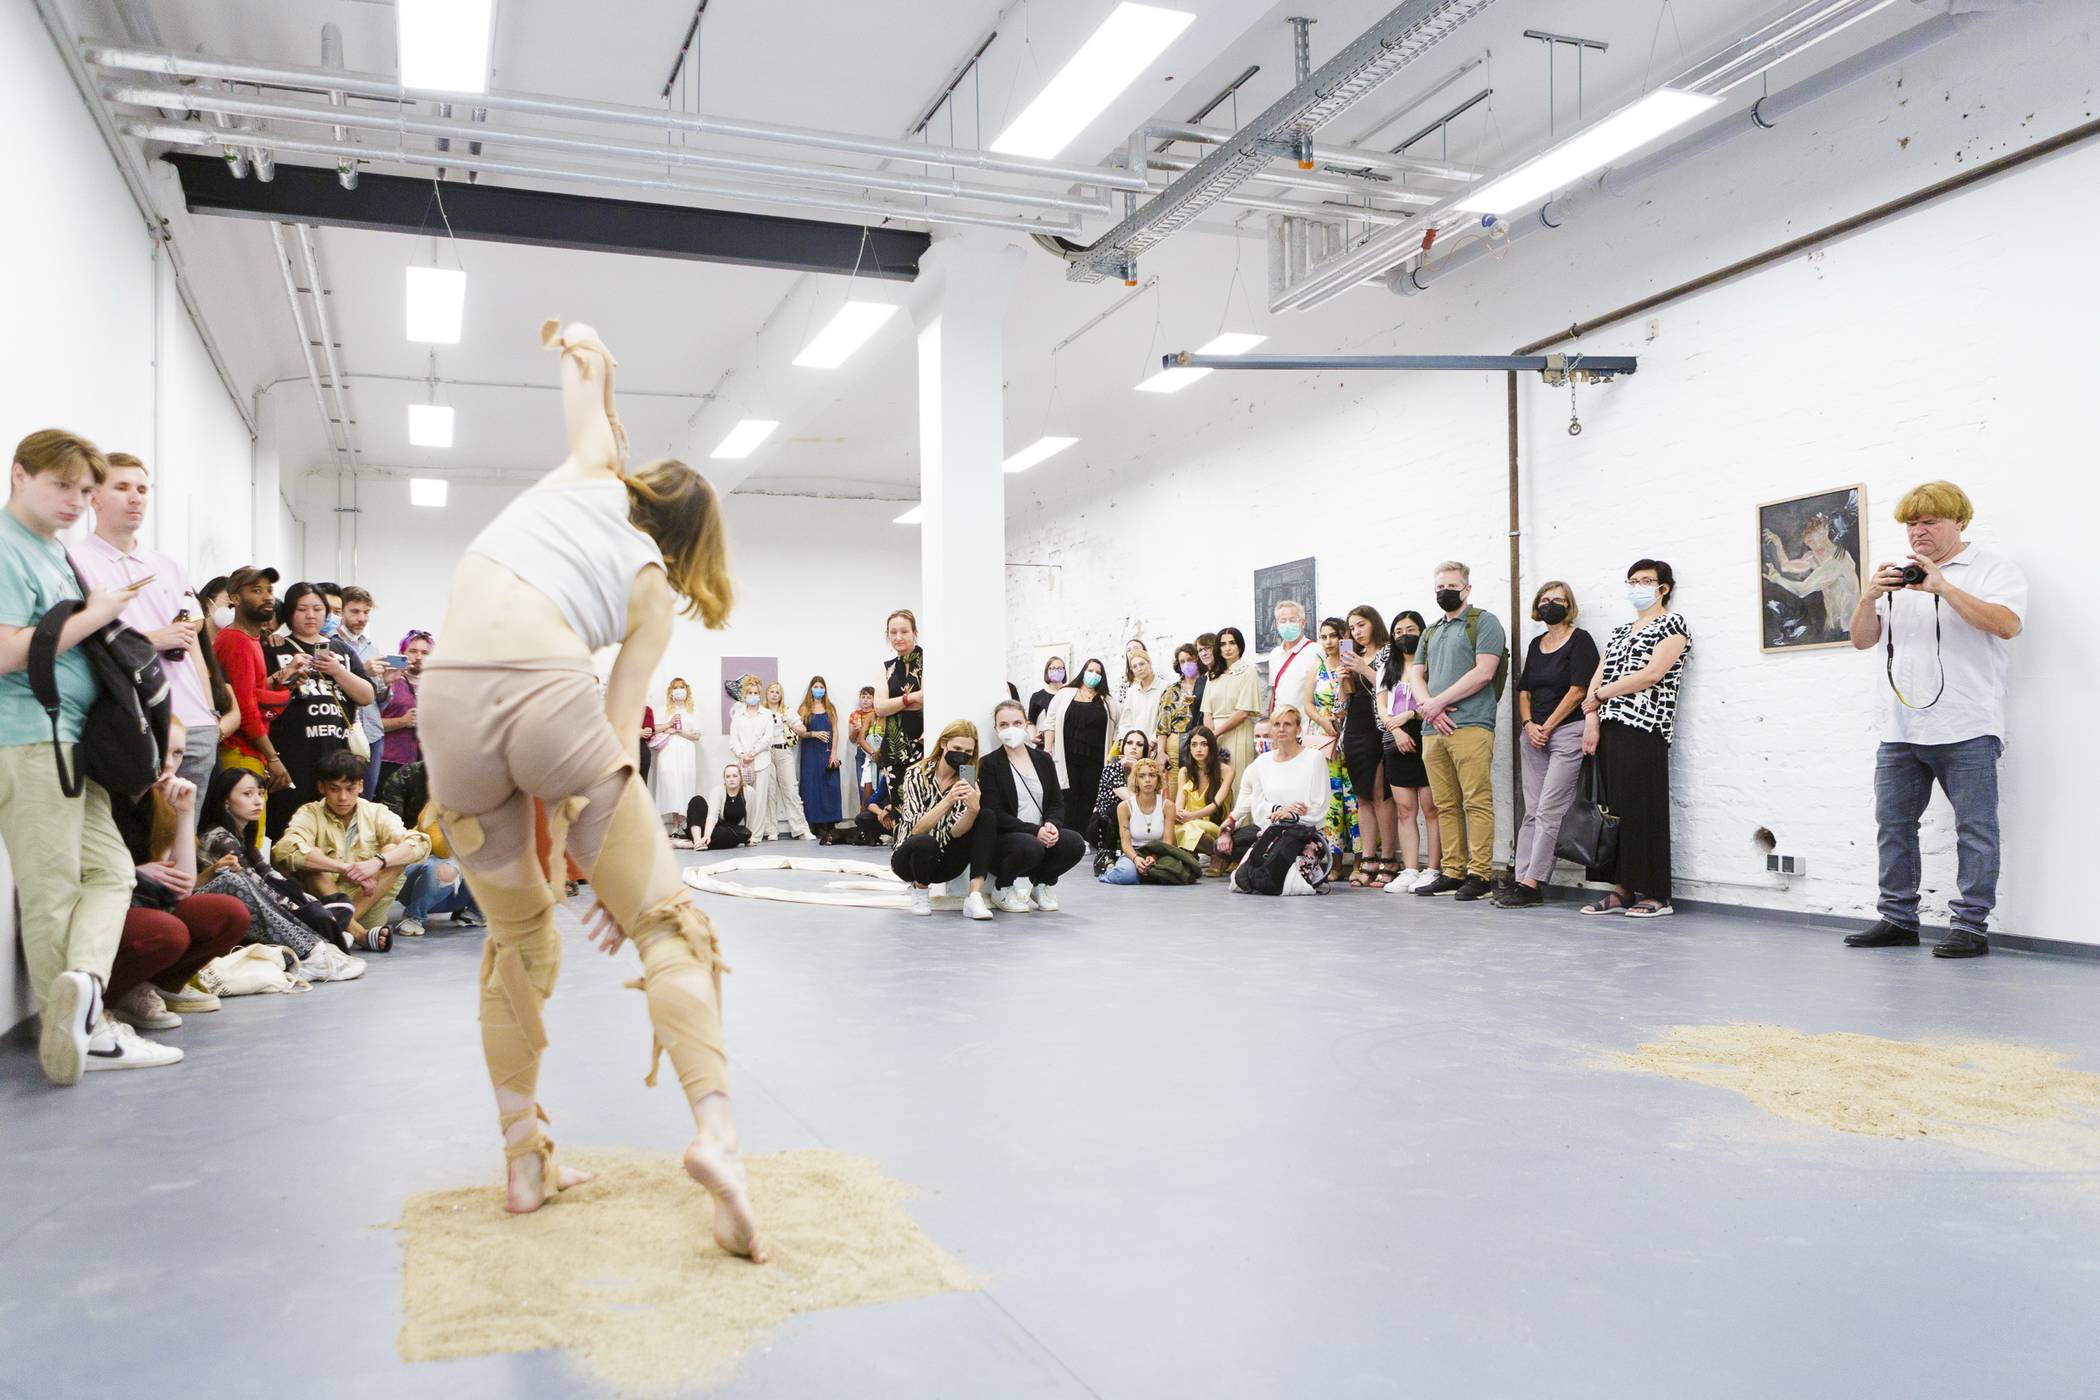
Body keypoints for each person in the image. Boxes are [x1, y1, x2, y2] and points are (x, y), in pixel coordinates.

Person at [418, 319, 761, 1253]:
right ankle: (717, 1137)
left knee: (517, 941)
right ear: (698, 542)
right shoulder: (654, 592)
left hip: (442, 705)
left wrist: (589, 344)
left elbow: (586, 379)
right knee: (669, 927)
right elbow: (612, 735)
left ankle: (525, 1164)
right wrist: (610, 865)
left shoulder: (591, 469)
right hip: (548, 688)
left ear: (640, 481)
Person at [1, 429, 182, 1082]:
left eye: (84, 490)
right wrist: (97, 610)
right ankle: (78, 1032)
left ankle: (82, 994)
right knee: (52, 891)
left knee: (111, 872)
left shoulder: (50, 550)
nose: (75, 501)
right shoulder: (7, 546)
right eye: (62, 486)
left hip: (72, 744)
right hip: (29, 737)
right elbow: (5, 652)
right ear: (20, 475)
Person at [1842, 482, 2026, 958]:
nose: (1918, 531)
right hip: (1899, 728)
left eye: (1929, 521)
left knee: (1975, 827)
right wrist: (1867, 597)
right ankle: (1897, 919)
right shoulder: (1897, 575)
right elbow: (1863, 641)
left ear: (1959, 521)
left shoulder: (1990, 568)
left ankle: (1970, 926)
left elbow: (2007, 625)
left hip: (1967, 725)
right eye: (1911, 523)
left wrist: (1943, 586)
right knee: (1893, 826)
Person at [74, 452, 221, 799]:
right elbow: (80, 643)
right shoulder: (76, 562)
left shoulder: (168, 565)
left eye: (142, 488)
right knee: (133, 844)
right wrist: (150, 640)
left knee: (183, 841)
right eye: (121, 487)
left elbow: (192, 644)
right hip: (129, 721)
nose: (135, 496)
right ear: (94, 496)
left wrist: (209, 710)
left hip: (193, 723)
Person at [1579, 560, 1693, 920]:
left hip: (1645, 727)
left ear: (1664, 588)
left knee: (1644, 809)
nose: (1638, 586)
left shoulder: (1672, 625)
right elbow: (1596, 680)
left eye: (1647, 581)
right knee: (1615, 812)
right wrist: (1592, 719)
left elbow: (1653, 674)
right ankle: (1621, 890)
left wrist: (1602, 695)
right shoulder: (1619, 632)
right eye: (1632, 581)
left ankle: (1657, 893)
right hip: (1610, 726)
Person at [104, 772, 252, 1027]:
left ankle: (150, 986)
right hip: (106, 910)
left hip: (145, 906)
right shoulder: (103, 797)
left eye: (177, 755)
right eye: (165, 754)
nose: (169, 766)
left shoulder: (158, 803)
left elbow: (182, 886)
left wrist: (185, 813)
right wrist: (133, 872)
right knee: (168, 931)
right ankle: (106, 1000)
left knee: (230, 913)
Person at [197, 765, 374, 958]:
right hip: (232, 913)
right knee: (313, 906)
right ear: (226, 801)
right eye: (248, 794)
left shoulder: (242, 835)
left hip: (262, 904)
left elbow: (270, 875)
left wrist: (304, 901)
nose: (258, 801)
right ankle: (329, 938)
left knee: (327, 905)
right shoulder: (221, 839)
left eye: (260, 793)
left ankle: (333, 931)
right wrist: (295, 908)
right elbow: (255, 888)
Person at [1499, 582, 1600, 909]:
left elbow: (1578, 690)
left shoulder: (1580, 640)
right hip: (1534, 737)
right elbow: (1524, 691)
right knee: (1532, 810)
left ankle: (1533, 882)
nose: (1549, 604)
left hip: (1567, 732)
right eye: (1544, 600)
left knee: (1549, 810)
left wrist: (1548, 726)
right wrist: (1529, 725)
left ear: (1568, 605)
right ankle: (1520, 879)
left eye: (1557, 600)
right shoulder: (1535, 643)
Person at [1410, 562, 1507, 902]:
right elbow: (1415, 675)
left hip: (1471, 724)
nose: (1444, 592)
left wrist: (1438, 703)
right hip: (1432, 729)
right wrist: (1429, 708)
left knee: (1476, 800)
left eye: (1451, 586)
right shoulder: (1431, 630)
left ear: (1467, 588)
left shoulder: (1484, 622)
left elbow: (1484, 672)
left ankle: (1479, 874)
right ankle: (1452, 870)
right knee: (1444, 804)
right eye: (1439, 588)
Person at [274, 749, 435, 943]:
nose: (342, 797)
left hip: (366, 905)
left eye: (349, 789)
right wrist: (343, 868)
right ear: (321, 787)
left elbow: (419, 842)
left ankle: (342, 926)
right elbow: (284, 850)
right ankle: (357, 934)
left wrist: (378, 862)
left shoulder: (376, 813)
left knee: (392, 853)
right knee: (311, 859)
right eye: (334, 789)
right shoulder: (310, 813)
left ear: (360, 786)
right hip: (325, 904)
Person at [262, 582, 378, 839]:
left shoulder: (341, 650)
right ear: (290, 613)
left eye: (317, 608)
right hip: (292, 752)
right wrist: (287, 673)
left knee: (334, 826)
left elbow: (367, 695)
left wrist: (337, 671)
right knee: (290, 826)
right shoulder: (275, 647)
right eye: (302, 609)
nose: (311, 615)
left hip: (337, 750)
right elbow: (259, 693)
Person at [976, 699, 1084, 911]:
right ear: (996, 729)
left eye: (1017, 723)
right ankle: (1003, 888)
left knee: (1074, 842)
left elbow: (1056, 802)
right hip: (1009, 840)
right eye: (1004, 725)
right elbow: (995, 813)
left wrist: (1052, 824)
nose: (1011, 729)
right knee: (1030, 844)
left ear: (1026, 724)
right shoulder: (989, 764)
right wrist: (1036, 831)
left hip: (1041, 834)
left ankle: (1042, 884)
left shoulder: (1043, 759)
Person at [890, 719, 994, 920]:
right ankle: (920, 891)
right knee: (925, 842)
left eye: (968, 752)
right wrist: (948, 800)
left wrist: (972, 810)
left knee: (986, 815)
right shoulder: (916, 774)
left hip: (944, 859)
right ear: (944, 743)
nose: (961, 755)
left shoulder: (968, 780)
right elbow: (917, 828)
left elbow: (956, 832)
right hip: (910, 859)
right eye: (957, 748)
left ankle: (974, 895)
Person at [1217, 705, 1332, 883]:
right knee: (1242, 880)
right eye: (1277, 724)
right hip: (1272, 833)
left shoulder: (1314, 758)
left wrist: (1292, 814)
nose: (1282, 729)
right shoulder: (1262, 763)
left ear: (1298, 728)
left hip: (1307, 833)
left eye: (1288, 724)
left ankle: (1310, 868)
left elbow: (1320, 805)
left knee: (1290, 882)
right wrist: (1279, 809)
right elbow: (1257, 805)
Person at [213, 565, 294, 793]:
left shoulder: (251, 638)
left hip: (248, 751)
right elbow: (245, 708)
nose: (268, 596)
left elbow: (250, 689)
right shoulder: (236, 641)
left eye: (269, 590)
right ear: (236, 598)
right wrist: (273, 758)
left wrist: (281, 680)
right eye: (257, 590)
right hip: (239, 752)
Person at [1377, 610, 1441, 892]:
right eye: (1399, 631)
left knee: (1431, 808)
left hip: (1425, 732)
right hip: (1395, 736)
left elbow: (1436, 699)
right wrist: (1396, 728)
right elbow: (1381, 705)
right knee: (1405, 809)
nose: (1405, 635)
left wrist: (1410, 717)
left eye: (1411, 629)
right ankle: (1411, 868)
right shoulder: (1386, 667)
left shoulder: (1431, 664)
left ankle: (1435, 868)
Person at [1338, 606, 1396, 887]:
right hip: (1356, 725)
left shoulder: (1387, 651)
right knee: (1361, 795)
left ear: (1374, 623)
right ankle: (1367, 856)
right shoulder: (1355, 656)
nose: (1357, 632)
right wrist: (1343, 680)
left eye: (1361, 625)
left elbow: (1393, 687)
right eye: (1353, 628)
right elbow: (1342, 703)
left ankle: (1388, 858)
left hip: (1379, 722)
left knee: (1379, 792)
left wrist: (1364, 669)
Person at [1765, 512, 1862, 642]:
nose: (1814, 544)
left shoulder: (1839, 559)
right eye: (1809, 541)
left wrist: (1777, 579)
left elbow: (1802, 590)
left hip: (1850, 629)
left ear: (1826, 530)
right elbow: (1786, 566)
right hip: (1832, 629)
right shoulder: (1812, 557)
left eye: (1818, 535)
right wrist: (1778, 545)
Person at [1309, 617, 1359, 864]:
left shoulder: (1351, 663)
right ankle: (1334, 860)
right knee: (1330, 798)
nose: (1329, 641)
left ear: (1344, 637)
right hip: (1324, 739)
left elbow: (1349, 699)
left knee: (1353, 799)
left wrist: (1344, 675)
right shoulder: (1317, 666)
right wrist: (1321, 721)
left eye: (1334, 636)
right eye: (1324, 636)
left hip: (1349, 735)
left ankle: (1361, 857)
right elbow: (1307, 703)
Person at [1042, 656, 1116, 822]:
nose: (1094, 674)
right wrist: (1047, 750)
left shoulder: (1108, 701)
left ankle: (1085, 838)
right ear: (1083, 672)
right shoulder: (1065, 693)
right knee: (1067, 796)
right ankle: (1067, 836)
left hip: (1095, 760)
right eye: (1090, 671)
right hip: (1067, 757)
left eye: (1098, 672)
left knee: (1089, 798)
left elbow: (1117, 728)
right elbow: (1051, 721)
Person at [1200, 626, 1260, 808]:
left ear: (1240, 646)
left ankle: (1242, 831)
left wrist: (1215, 733)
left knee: (1239, 782)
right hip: (1214, 736)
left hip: (1238, 733)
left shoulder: (1248, 672)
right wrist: (1210, 737)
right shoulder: (1212, 675)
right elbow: (1207, 711)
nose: (1227, 648)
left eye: (1232, 643)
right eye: (1223, 644)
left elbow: (1243, 712)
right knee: (1215, 785)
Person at [1099, 755, 1183, 884]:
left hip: (1160, 853)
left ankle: (1145, 873)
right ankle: (1110, 871)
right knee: (1127, 875)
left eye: (1152, 775)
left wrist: (1154, 857)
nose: (1147, 780)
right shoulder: (1124, 807)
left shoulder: (1168, 806)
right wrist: (1136, 859)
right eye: (1142, 776)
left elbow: (1167, 842)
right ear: (1136, 780)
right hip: (1133, 851)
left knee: (1169, 874)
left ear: (1158, 779)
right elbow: (1125, 843)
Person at [337, 587, 388, 796]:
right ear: (340, 612)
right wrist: (361, 672)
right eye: (355, 611)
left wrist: (386, 684)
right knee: (340, 796)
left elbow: (380, 703)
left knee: (366, 797)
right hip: (343, 730)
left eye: (366, 612)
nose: (362, 618)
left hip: (373, 733)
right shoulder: (330, 644)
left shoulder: (371, 648)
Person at [871, 608, 924, 797]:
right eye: (893, 632)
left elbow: (928, 700)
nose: (898, 637)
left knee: (923, 806)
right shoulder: (886, 667)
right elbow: (880, 707)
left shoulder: (930, 662)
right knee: (898, 812)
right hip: (893, 750)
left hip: (924, 745)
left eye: (904, 631)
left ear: (914, 633)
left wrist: (894, 704)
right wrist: (911, 698)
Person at [1173, 726, 1234, 876]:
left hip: (1216, 828)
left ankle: (1215, 854)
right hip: (1190, 823)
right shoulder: (1184, 772)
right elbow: (1179, 800)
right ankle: (1217, 854)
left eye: (1203, 744)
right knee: (1172, 826)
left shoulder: (1226, 770)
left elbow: (1216, 805)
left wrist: (1190, 817)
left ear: (1211, 747)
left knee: (1189, 826)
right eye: (1194, 744)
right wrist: (1178, 814)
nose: (1198, 749)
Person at [375, 629, 429, 796]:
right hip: (389, 761)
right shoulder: (388, 682)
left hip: (424, 765)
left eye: (425, 652)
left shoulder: (437, 686)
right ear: (402, 654)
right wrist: (402, 721)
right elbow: (368, 724)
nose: (419, 657)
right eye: (413, 651)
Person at [796, 676, 846, 843]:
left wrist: (834, 753)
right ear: (811, 689)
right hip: (810, 752)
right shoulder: (804, 708)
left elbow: (835, 731)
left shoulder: (830, 707)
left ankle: (830, 822)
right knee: (811, 786)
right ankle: (815, 823)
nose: (819, 689)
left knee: (829, 786)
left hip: (827, 752)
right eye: (816, 686)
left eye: (821, 687)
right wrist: (813, 734)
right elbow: (798, 732)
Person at [761, 680, 812, 841]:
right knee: (769, 792)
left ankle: (801, 829)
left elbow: (802, 729)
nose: (774, 695)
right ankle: (771, 830)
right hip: (766, 752)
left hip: (784, 751)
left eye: (777, 692)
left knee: (791, 791)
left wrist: (787, 722)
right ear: (766, 694)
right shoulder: (761, 712)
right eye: (772, 691)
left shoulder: (787, 711)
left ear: (781, 695)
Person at [727, 675, 775, 841]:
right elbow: (733, 740)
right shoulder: (738, 716)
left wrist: (753, 754)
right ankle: (743, 832)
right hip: (743, 764)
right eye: (750, 692)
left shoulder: (767, 714)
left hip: (761, 762)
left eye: (756, 692)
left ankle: (756, 835)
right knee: (744, 799)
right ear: (744, 695)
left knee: (760, 801)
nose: (753, 695)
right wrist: (742, 755)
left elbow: (768, 738)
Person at [648, 677, 703, 819]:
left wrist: (678, 731)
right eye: (675, 687)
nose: (679, 690)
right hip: (668, 751)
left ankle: (683, 822)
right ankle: (673, 823)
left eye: (682, 687)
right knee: (670, 783)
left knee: (685, 782)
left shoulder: (693, 711)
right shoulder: (663, 710)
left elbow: (696, 735)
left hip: (686, 751)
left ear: (687, 690)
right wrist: (669, 725)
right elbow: (655, 730)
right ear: (671, 692)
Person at [1156, 642, 1203, 769]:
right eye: (1182, 661)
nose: (1186, 664)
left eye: (1190, 660)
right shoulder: (1172, 690)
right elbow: (1162, 724)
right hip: (1176, 745)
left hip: (1202, 744)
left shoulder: (1208, 685)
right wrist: (1161, 752)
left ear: (1197, 660)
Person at [689, 763, 754, 850]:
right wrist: (707, 835)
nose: (731, 779)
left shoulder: (749, 792)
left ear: (740, 777)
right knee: (697, 800)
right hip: (710, 827)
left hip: (729, 831)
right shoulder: (717, 791)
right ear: (724, 779)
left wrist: (750, 837)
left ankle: (688, 844)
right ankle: (698, 842)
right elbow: (712, 816)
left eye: (735, 776)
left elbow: (753, 816)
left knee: (723, 834)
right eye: (728, 776)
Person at [1118, 643, 1167, 755]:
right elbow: (1125, 721)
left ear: (1149, 664)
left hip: (1155, 747)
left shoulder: (1164, 687)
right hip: (1134, 750)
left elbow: (1165, 720)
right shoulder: (1132, 691)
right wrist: (1127, 743)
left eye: (1142, 664)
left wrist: (1151, 742)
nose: (1139, 669)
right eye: (1135, 666)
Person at [847, 684, 881, 804]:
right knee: (862, 787)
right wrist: (856, 731)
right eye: (863, 697)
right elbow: (851, 739)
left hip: (875, 751)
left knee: (877, 785)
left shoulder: (878, 714)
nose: (865, 700)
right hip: (861, 753)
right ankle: (864, 814)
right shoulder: (854, 715)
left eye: (869, 697)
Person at [1027, 656, 1067, 734]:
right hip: (1044, 742)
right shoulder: (1037, 696)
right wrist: (1033, 736)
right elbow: (1031, 722)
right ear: (1047, 671)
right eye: (1052, 668)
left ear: (1064, 671)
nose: (1056, 671)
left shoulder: (1070, 694)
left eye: (1060, 668)